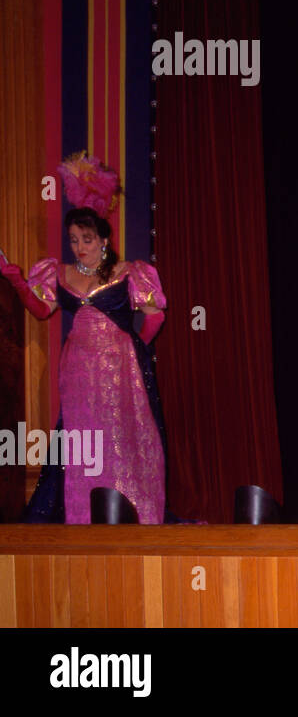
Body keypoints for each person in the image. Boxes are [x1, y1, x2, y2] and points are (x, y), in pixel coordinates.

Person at [0, 153, 168, 524]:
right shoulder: (58, 273)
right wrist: (14, 278)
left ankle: (134, 514)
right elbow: (42, 310)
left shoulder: (129, 272)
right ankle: (81, 516)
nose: (79, 247)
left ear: (104, 239)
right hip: (77, 371)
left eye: (87, 239)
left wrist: (134, 347)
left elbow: (155, 316)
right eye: (74, 240)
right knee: (83, 442)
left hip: (121, 370)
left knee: (123, 440)